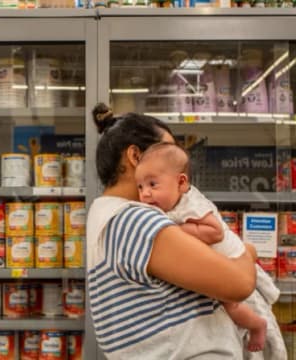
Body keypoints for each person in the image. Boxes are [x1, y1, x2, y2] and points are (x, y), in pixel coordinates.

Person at [87, 103, 257, 359]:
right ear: (135, 157)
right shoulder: (134, 220)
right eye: (166, 152)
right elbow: (240, 283)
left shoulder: (103, 216)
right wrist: (246, 252)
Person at [135, 142, 285, 356]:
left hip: (232, 261)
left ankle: (257, 325)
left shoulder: (191, 204)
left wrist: (180, 230)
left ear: (181, 182)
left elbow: (215, 232)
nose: (145, 194)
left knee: (231, 306)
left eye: (152, 184)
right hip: (222, 265)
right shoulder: (168, 206)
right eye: (140, 187)